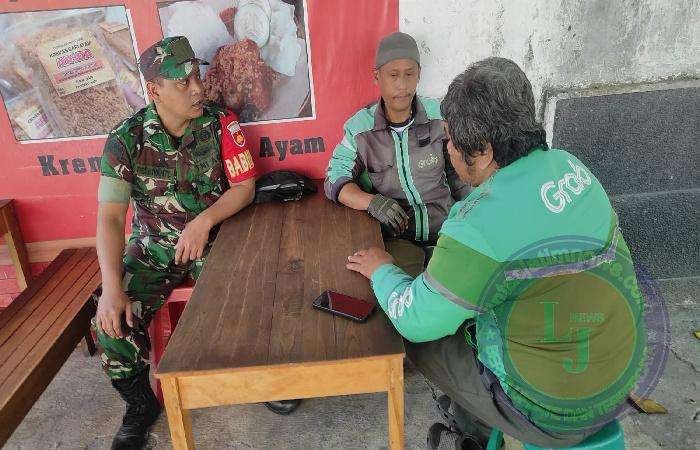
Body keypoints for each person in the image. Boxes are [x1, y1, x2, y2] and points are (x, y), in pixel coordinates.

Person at [346, 58, 645, 449]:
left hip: (553, 414)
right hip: (622, 377)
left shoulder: (478, 224)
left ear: (484, 152)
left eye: (451, 140)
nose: (448, 149)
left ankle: (472, 432)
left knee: (421, 335)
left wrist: (383, 270)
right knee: (481, 305)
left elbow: (416, 319)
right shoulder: (570, 167)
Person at [94, 36, 299, 450]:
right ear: (155, 90)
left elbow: (244, 187)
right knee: (111, 321)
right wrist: (112, 288)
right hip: (153, 249)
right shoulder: (126, 139)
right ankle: (140, 406)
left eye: (196, 77)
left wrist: (204, 221)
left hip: (216, 240)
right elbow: (110, 218)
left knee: (251, 296)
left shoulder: (221, 123)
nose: (197, 88)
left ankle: (260, 376)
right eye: (183, 82)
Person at [325, 32, 469, 277]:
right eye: (393, 75)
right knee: (396, 290)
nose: (402, 85)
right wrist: (372, 202)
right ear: (377, 76)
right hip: (398, 241)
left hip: (447, 233)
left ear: (419, 74)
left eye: (409, 74)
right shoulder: (360, 129)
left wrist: (470, 219)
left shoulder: (440, 117)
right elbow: (334, 179)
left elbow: (465, 174)